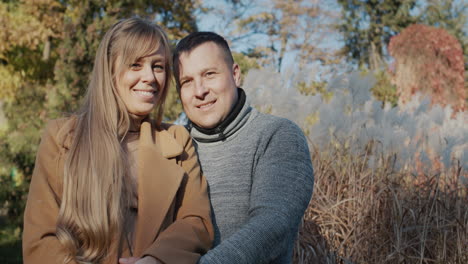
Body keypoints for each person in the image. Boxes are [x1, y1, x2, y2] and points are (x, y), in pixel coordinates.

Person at [22, 18, 213, 264]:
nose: (150, 77)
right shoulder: (61, 138)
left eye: (158, 66)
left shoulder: (178, 140)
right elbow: (40, 240)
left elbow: (196, 221)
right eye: (135, 64)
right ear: (109, 70)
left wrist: (157, 260)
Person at [173, 32, 314, 263]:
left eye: (209, 74)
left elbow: (272, 226)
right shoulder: (173, 146)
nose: (199, 91)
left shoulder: (277, 135)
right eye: (187, 81)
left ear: (235, 74)